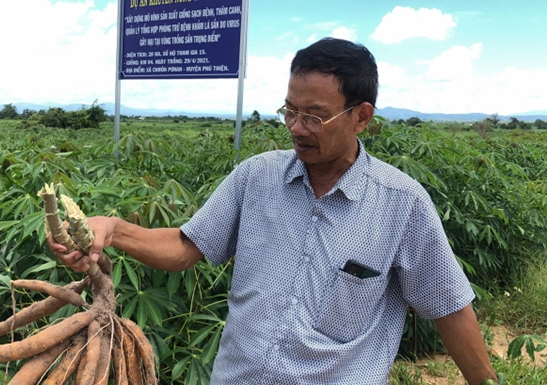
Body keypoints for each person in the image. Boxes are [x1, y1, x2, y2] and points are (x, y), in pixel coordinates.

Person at [49, 38, 498, 384]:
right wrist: (113, 229)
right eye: (290, 111)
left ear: (361, 117)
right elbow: (186, 247)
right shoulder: (256, 177)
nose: (297, 128)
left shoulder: (402, 204)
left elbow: (449, 307)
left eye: (315, 116)